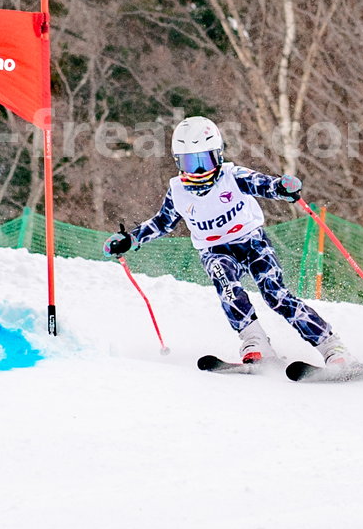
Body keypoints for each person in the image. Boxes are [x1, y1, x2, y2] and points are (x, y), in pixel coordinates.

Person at [104, 116, 350, 369]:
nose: (199, 171)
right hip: (214, 250)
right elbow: (161, 223)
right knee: (228, 288)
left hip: (252, 242)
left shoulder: (232, 176)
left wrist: (282, 188)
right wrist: (130, 239)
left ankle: (332, 347)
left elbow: (264, 184)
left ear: (218, 155)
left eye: (205, 161)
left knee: (275, 295)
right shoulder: (178, 191)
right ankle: (255, 343)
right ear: (178, 162)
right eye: (191, 163)